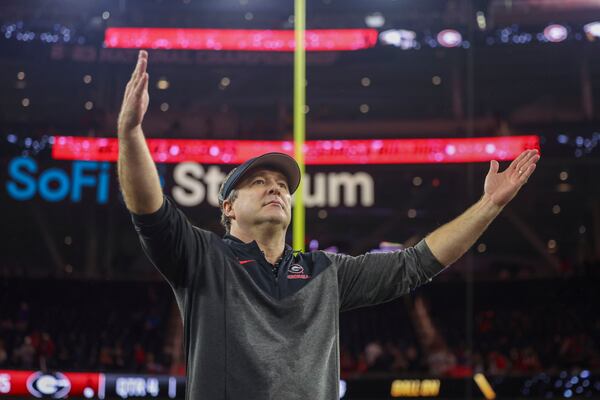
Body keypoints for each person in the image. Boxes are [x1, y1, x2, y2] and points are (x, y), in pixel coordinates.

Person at [117, 50, 540, 399]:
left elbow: (417, 264)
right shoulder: (202, 258)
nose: (276, 190)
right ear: (228, 207)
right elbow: (149, 211)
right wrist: (131, 132)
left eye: (282, 184)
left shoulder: (325, 272)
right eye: (260, 183)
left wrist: (488, 205)